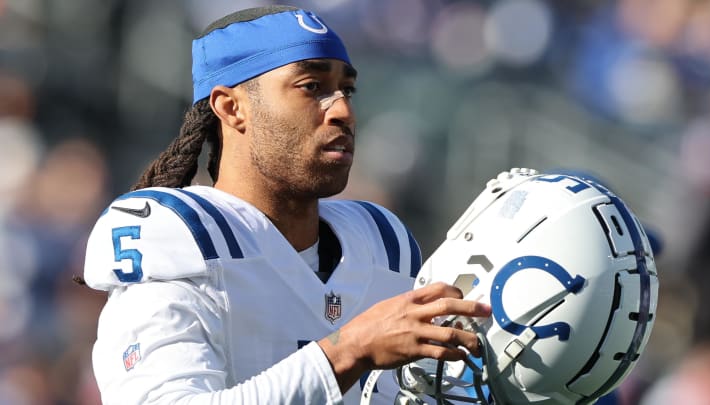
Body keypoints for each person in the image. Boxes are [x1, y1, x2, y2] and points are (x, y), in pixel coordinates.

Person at [82, 5, 490, 405]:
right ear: (231, 107)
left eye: (346, 89)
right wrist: (349, 348)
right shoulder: (179, 237)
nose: (344, 111)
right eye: (312, 87)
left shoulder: (383, 243)